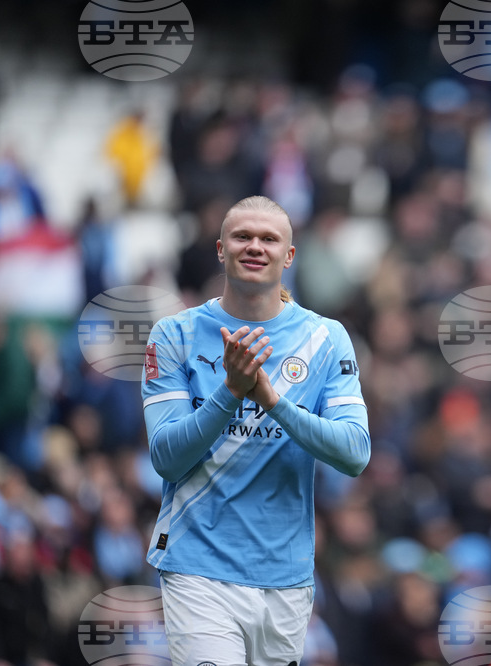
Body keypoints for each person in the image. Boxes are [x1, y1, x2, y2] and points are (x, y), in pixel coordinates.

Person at [141, 195, 371, 666]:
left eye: (269, 239)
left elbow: (355, 452)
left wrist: (270, 399)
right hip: (196, 566)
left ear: (289, 256)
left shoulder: (326, 338)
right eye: (243, 236)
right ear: (221, 249)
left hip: (285, 576)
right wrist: (231, 393)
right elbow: (166, 455)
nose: (255, 246)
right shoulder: (174, 334)